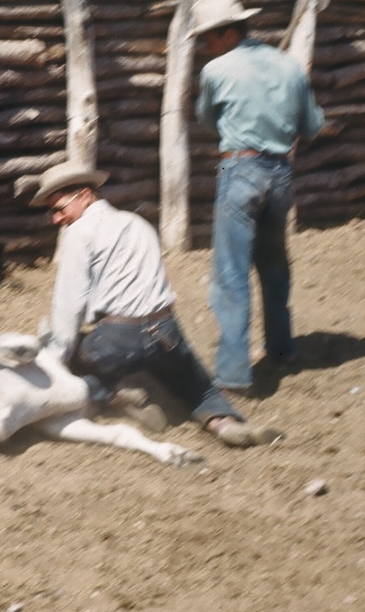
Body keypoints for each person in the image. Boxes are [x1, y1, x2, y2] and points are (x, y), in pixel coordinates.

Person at [33, 160, 283, 448]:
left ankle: (113, 397)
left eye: (58, 209)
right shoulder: (137, 224)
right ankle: (223, 423)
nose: (56, 219)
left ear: (85, 196)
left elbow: (70, 305)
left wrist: (56, 361)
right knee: (197, 385)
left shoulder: (79, 233)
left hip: (118, 337)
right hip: (165, 329)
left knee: (73, 352)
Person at [192, 0, 328, 395]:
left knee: (230, 274)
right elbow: (312, 126)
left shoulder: (217, 70)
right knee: (273, 264)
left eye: (207, 38)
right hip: (280, 173)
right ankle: (282, 348)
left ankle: (233, 374)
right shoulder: (289, 65)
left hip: (241, 170)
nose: (204, 46)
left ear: (226, 33)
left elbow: (206, 120)